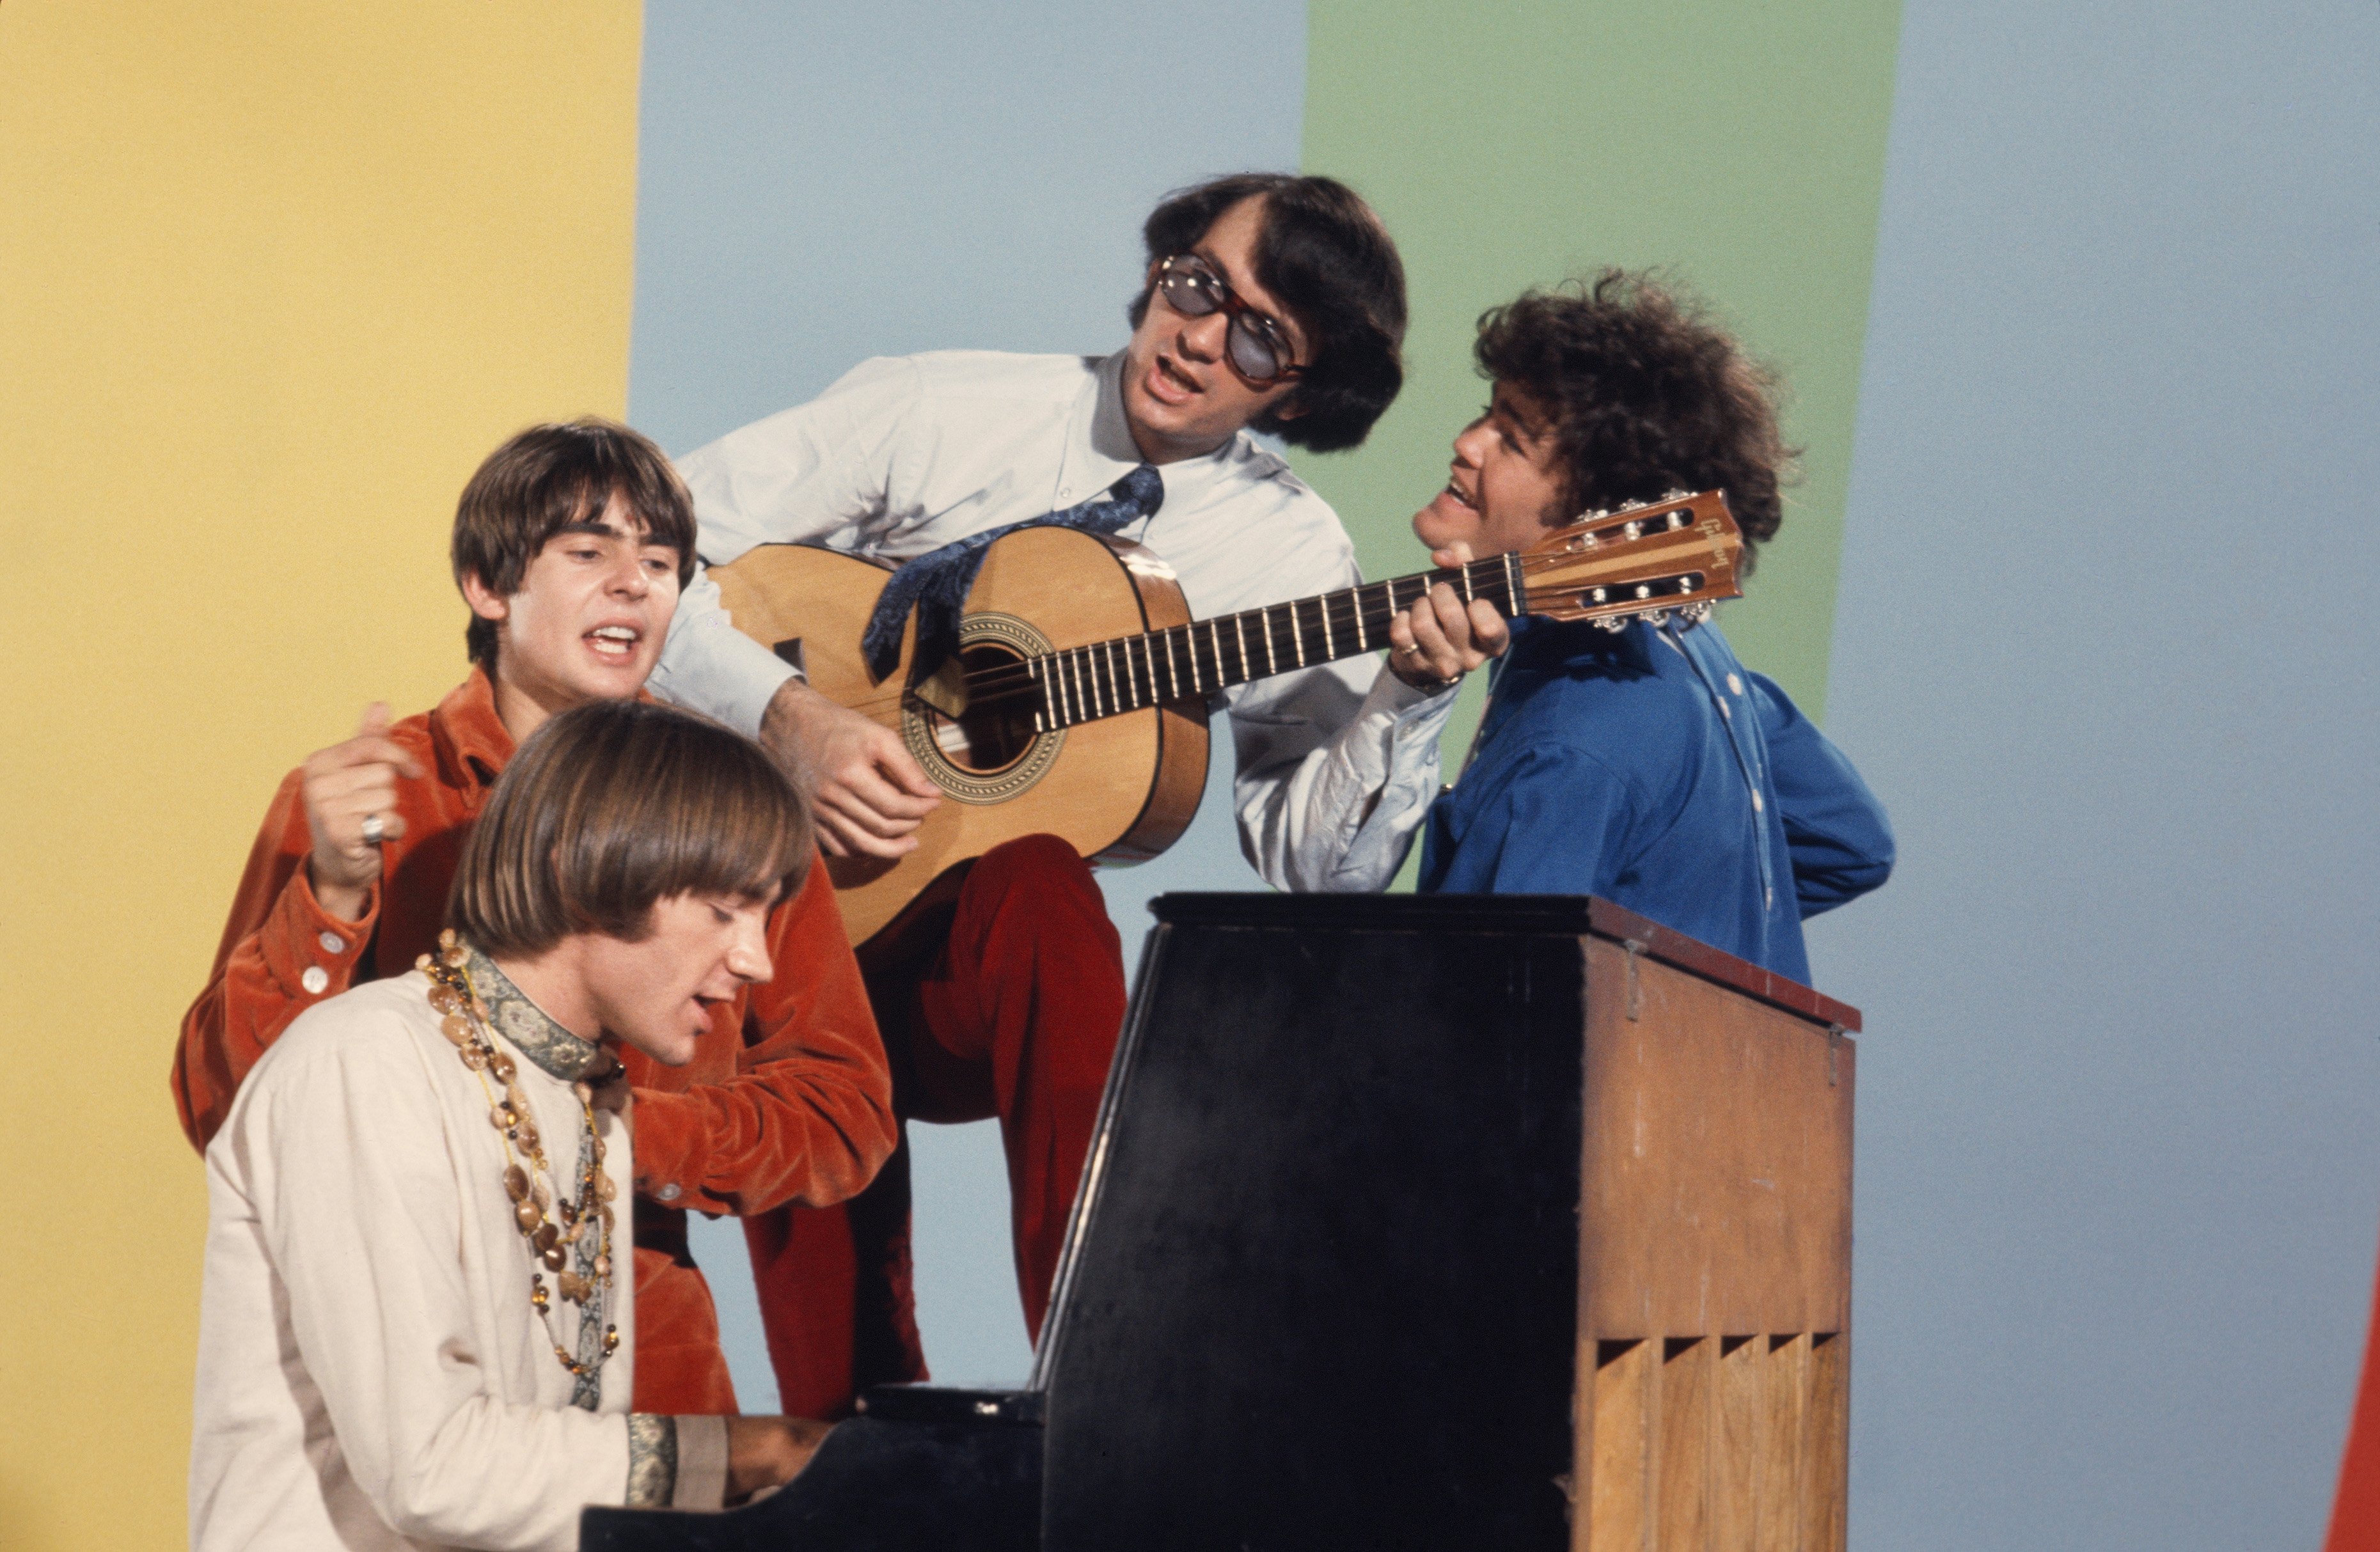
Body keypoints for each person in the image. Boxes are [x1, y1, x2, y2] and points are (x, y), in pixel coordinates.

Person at [649, 172, 1506, 1414]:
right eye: (1199, 283)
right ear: (1164, 265)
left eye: (1260, 334)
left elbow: (1317, 867)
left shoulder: (1284, 555)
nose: (1202, 335)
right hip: (770, 926)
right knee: (794, 973)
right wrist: (794, 720)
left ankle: (1101, 1397)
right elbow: (638, 537)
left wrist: (1409, 697)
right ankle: (853, 1447)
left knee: (1047, 888)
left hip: (964, 976)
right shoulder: (947, 405)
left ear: (1300, 392)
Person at [174, 419, 896, 1415]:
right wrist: (332, 899)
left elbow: (844, 1107)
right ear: (489, 583)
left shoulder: (738, 809)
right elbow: (226, 1111)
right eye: (590, 552)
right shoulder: (364, 798)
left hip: (650, 1345)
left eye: (660, 560)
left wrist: (623, 1135)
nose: (635, 583)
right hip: (410, 1335)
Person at [191, 700, 831, 1550]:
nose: (758, 959)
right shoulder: (367, 1061)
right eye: (724, 909)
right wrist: (755, 1449)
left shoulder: (583, 1096)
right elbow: (434, 1468)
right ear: (585, 869)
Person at [1397, 270, 1895, 980]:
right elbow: (1850, 839)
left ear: (1592, 517)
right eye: (1487, 414)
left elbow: (1481, 1002)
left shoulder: (1567, 746)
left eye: (1510, 439)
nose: (1466, 443)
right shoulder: (1689, 648)